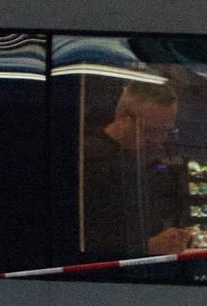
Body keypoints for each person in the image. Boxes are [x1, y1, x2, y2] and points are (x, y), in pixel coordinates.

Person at [78, 80, 194, 257]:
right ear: (124, 119)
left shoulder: (142, 159)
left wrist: (175, 238)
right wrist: (144, 247)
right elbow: (76, 239)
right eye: (152, 131)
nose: (160, 140)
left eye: (167, 132)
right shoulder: (85, 160)